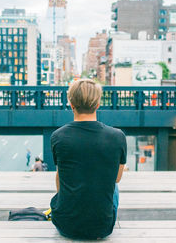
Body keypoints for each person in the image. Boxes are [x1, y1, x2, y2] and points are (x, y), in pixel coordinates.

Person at [50, 79, 127, 240]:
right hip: (103, 227)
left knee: (64, 178)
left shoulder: (58, 136)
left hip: (65, 225)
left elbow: (60, 179)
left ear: (71, 104)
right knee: (114, 186)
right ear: (98, 104)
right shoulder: (117, 136)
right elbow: (117, 178)